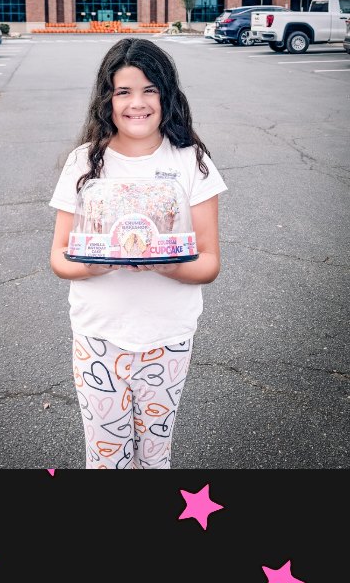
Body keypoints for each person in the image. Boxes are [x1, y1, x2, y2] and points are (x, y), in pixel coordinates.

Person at [49, 38, 227, 468]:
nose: (137, 103)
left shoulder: (191, 162)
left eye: (150, 90)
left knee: (154, 457)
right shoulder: (84, 164)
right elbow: (59, 256)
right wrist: (95, 264)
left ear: (167, 95)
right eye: (124, 91)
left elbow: (208, 262)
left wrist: (160, 262)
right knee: (106, 457)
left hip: (167, 337)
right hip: (98, 336)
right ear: (106, 99)